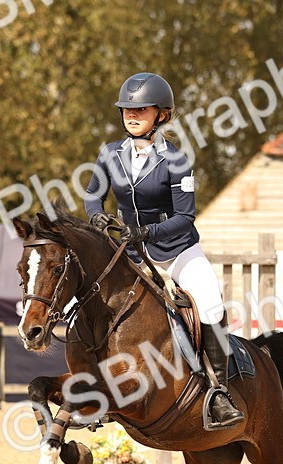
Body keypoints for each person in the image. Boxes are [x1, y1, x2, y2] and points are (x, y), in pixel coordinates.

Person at [84, 72, 243, 429]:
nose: (132, 114)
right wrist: (96, 218)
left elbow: (185, 217)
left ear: (162, 114)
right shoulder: (110, 154)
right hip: (133, 255)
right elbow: (93, 195)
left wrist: (145, 231)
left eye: (141, 108)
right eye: (127, 108)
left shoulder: (176, 160)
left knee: (211, 302)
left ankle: (219, 392)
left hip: (177, 253)